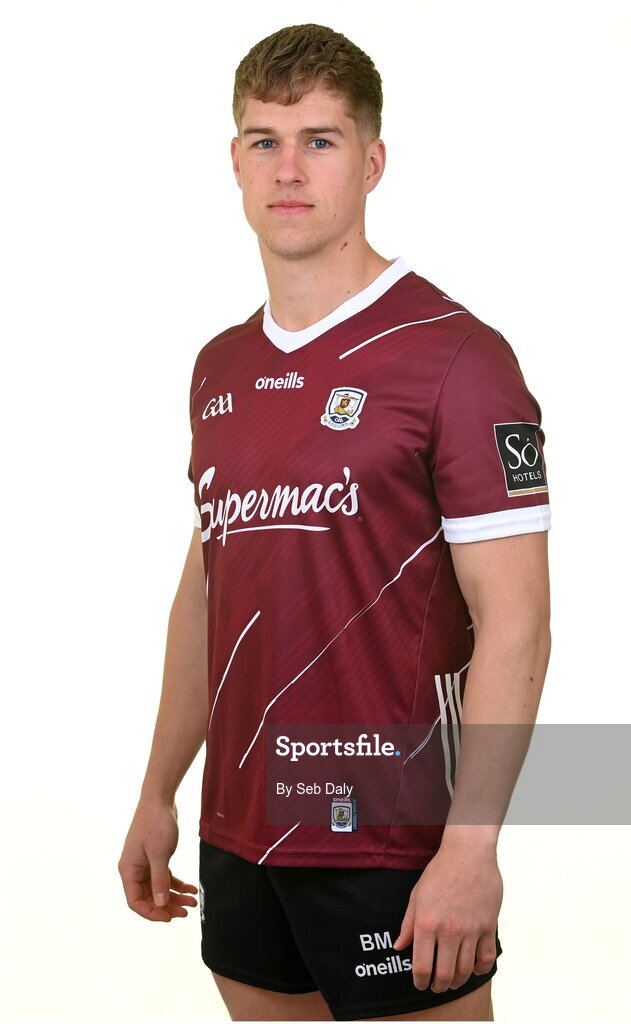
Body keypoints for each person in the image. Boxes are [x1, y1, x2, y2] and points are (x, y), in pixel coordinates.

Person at [118, 22, 552, 1023]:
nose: (289, 168)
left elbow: (517, 621)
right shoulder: (218, 366)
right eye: (264, 140)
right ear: (234, 161)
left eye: (319, 139)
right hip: (238, 828)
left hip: (390, 834)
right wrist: (158, 790)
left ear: (371, 161)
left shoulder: (455, 356)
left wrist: (471, 845)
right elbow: (209, 589)